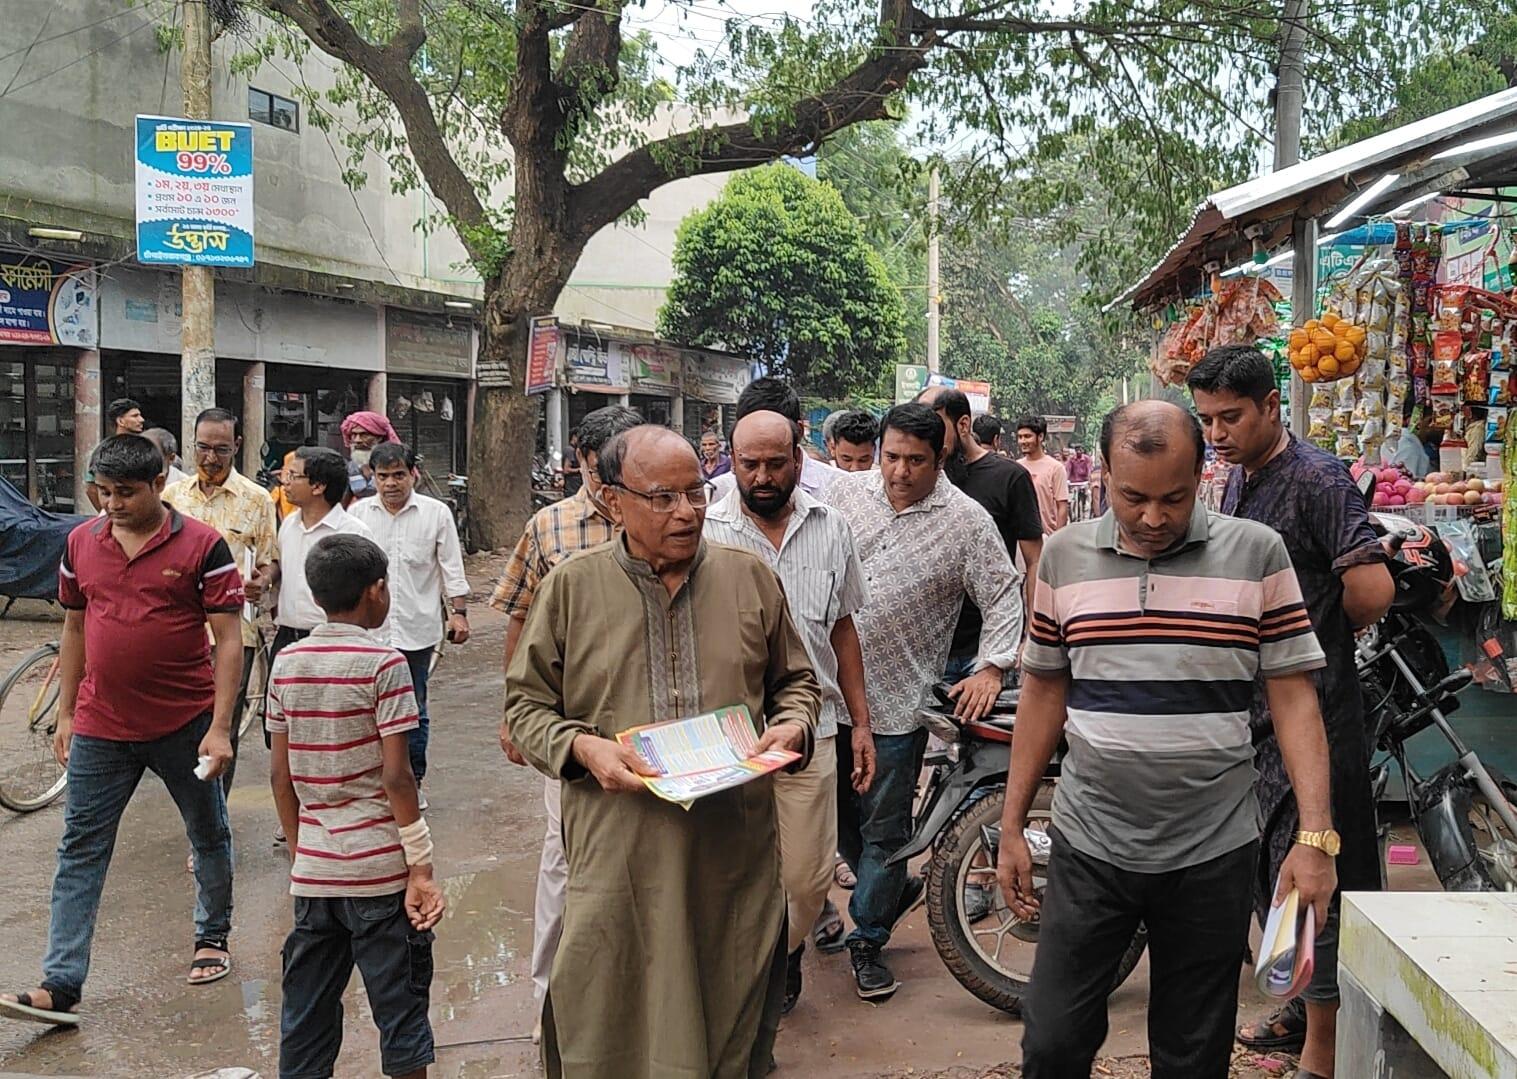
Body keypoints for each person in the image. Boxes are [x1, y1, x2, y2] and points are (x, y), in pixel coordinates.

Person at [999, 401, 1338, 1079]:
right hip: (1091, 843)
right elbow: (1042, 689)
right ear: (1101, 474)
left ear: (1200, 474)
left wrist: (1314, 838)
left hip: (1212, 848)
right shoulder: (1064, 557)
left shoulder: (1255, 553)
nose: (1153, 518)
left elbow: (1294, 697)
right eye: (1133, 497)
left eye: (1173, 498)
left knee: (1191, 1053)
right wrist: (1011, 821)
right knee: (1052, 1041)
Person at [506, 424, 819, 1078]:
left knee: (727, 1017)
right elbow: (525, 709)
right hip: (618, 852)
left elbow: (794, 682)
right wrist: (581, 746)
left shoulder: (748, 577)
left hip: (729, 852)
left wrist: (791, 725)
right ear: (613, 500)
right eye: (662, 498)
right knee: (610, 1015)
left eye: (696, 494)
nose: (686, 512)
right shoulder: (571, 588)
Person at [1188, 346, 1394, 1077]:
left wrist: (1321, 639)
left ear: (1271, 406)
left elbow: (1369, 588)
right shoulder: (1239, 478)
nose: (1215, 432)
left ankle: (1321, 1050)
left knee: (1315, 866)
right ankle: (1295, 1000)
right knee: (1270, 870)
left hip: (1314, 707)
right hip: (1253, 713)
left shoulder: (1314, 478)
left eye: (1230, 416)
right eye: (1206, 418)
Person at [0, 435, 243, 1027]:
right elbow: (75, 628)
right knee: (79, 847)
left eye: (125, 493)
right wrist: (65, 714)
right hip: (102, 725)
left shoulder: (205, 546)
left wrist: (219, 728)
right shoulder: (81, 542)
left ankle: (211, 936)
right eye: (103, 492)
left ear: (160, 484)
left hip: (183, 723)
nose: (111, 503)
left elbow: (230, 638)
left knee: (207, 831)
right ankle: (61, 982)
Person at [824, 403, 1023, 1002]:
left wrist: (991, 665)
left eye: (915, 460)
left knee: (884, 826)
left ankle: (869, 936)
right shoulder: (842, 494)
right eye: (891, 457)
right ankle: (882, 889)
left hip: (898, 702)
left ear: (941, 458)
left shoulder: (966, 521)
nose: (899, 471)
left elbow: (1004, 594)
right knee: (836, 825)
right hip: (823, 695)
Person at [703, 409, 875, 1014]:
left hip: (814, 730)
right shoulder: (707, 528)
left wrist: (862, 724)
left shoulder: (832, 527)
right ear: (732, 460)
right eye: (749, 464)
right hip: (727, 735)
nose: (763, 476)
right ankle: (753, 980)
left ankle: (784, 950)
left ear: (799, 459)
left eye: (776, 463)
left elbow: (846, 628)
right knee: (732, 871)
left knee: (806, 877)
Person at [267, 533, 445, 1079]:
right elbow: (396, 776)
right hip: (379, 873)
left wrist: (303, 852)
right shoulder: (385, 664)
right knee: (400, 1013)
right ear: (377, 591)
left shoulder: (287, 663)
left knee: (307, 1017)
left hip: (315, 876)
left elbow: (280, 775)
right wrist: (421, 865)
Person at [491, 404, 643, 1040]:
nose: (611, 489)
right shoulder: (550, 528)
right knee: (563, 857)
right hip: (571, 726)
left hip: (650, 721)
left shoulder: (664, 518)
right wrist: (514, 713)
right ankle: (550, 1002)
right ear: (583, 460)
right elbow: (521, 618)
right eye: (602, 471)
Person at [164, 407, 279, 793]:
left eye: (221, 449)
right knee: (178, 725)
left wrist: (262, 583)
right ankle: (193, 811)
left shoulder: (257, 500)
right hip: (175, 630)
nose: (210, 458)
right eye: (203, 448)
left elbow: (269, 561)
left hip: (233, 633)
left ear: (237, 446)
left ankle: (212, 822)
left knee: (221, 726)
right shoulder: (170, 498)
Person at [351, 442, 471, 802]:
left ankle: (411, 782)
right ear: (372, 476)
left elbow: (451, 566)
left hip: (417, 631)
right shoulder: (358, 516)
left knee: (413, 710)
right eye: (383, 476)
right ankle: (374, 782)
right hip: (369, 633)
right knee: (366, 710)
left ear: (413, 474)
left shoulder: (436, 514)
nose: (391, 483)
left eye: (399, 475)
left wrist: (460, 613)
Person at [265, 446, 374, 822]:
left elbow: (373, 592)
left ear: (318, 485)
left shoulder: (353, 532)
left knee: (330, 732)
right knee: (280, 732)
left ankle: (333, 810)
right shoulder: (289, 524)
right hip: (288, 637)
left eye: (293, 475)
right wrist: (264, 579)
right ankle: (292, 817)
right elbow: (280, 566)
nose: (285, 481)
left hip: (334, 642)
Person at [919, 387, 1043, 672]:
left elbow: (1035, 560)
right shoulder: (922, 478)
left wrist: (1031, 635)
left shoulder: (1009, 478)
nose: (928, 439)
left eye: (935, 427)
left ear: (963, 424)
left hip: (987, 649)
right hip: (926, 648)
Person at [711, 379, 842, 501]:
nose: (762, 479)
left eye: (776, 463)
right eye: (750, 464)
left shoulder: (839, 487)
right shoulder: (719, 492)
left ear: (799, 431)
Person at [84, 397, 148, 511]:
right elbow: (91, 487)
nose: (141, 419)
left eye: (140, 415)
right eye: (135, 416)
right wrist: (108, 513)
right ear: (120, 421)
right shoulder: (104, 450)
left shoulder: (145, 447)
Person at [1015, 415, 1071, 533]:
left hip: (1047, 537)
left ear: (1040, 436)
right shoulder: (1016, 467)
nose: (1023, 441)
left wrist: (1057, 539)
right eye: (1020, 437)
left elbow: (1062, 507)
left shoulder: (1056, 468)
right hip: (1022, 539)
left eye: (1027, 436)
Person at [341, 410, 401, 500]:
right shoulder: (352, 467)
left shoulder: (396, 465)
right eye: (353, 435)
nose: (357, 440)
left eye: (363, 435)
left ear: (379, 438)